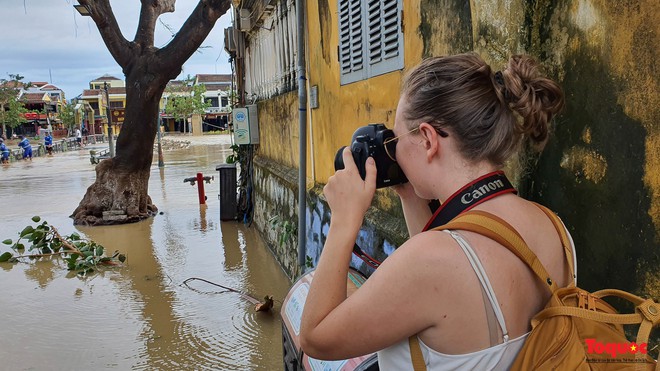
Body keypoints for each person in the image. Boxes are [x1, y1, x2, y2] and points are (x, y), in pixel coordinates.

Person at [300, 53, 571, 370]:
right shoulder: (553, 226)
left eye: (397, 136)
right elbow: (447, 282)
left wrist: (344, 223)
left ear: (428, 139)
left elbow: (315, 338)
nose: (395, 150)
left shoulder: (431, 261)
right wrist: (411, 193)